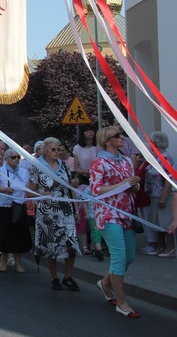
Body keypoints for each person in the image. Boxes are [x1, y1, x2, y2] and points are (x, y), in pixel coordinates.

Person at [90, 126, 142, 317]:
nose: (122, 138)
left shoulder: (126, 160)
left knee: (129, 257)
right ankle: (122, 302)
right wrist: (123, 184)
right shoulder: (99, 162)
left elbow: (131, 188)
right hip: (108, 214)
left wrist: (134, 185)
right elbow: (96, 189)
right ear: (106, 140)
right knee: (119, 257)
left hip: (127, 213)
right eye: (117, 136)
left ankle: (105, 283)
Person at [30, 137, 81, 291]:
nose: (57, 152)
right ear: (45, 151)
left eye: (58, 149)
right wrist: (41, 193)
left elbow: (69, 188)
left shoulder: (64, 166)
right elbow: (30, 190)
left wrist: (76, 209)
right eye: (53, 149)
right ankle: (54, 277)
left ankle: (68, 276)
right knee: (50, 244)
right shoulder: (37, 167)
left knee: (70, 243)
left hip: (65, 210)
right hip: (48, 211)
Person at [0, 149, 32, 273]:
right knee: (5, 234)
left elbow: (27, 188)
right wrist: (5, 190)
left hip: (19, 206)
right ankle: (3, 259)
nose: (16, 159)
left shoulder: (23, 172)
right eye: (13, 157)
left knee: (19, 235)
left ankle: (18, 262)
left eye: (17, 157)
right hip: (5, 207)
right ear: (6, 159)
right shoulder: (1, 171)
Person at [145, 131, 176, 257]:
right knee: (156, 221)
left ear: (156, 143)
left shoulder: (166, 157)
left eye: (151, 142)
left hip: (163, 194)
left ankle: (170, 246)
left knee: (165, 221)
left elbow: (169, 179)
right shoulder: (156, 157)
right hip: (154, 194)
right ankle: (160, 245)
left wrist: (163, 196)